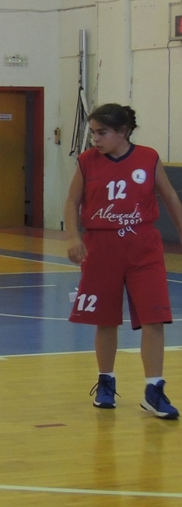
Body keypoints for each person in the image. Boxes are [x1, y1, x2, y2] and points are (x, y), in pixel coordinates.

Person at [64, 103, 182, 419]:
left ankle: (154, 390)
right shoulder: (87, 161)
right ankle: (106, 381)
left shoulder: (148, 158)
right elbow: (72, 201)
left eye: (101, 133)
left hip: (144, 247)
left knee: (154, 317)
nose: (95, 139)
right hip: (101, 246)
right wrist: (73, 237)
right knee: (106, 319)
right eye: (93, 133)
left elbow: (171, 197)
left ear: (122, 132)